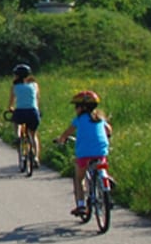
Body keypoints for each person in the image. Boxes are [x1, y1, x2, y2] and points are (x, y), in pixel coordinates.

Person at [54, 89, 112, 217]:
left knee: (79, 178)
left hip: (84, 154)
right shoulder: (99, 119)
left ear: (82, 108)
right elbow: (108, 130)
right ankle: (106, 180)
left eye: (76, 106)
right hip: (100, 151)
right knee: (101, 164)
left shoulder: (79, 120)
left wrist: (60, 139)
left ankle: (81, 205)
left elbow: (67, 133)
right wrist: (108, 137)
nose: (75, 109)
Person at [7, 63, 41, 174]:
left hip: (20, 112)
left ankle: (17, 137)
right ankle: (36, 157)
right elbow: (37, 100)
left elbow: (11, 103)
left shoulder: (15, 87)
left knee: (16, 122)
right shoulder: (34, 85)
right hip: (33, 112)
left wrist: (10, 108)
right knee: (33, 134)